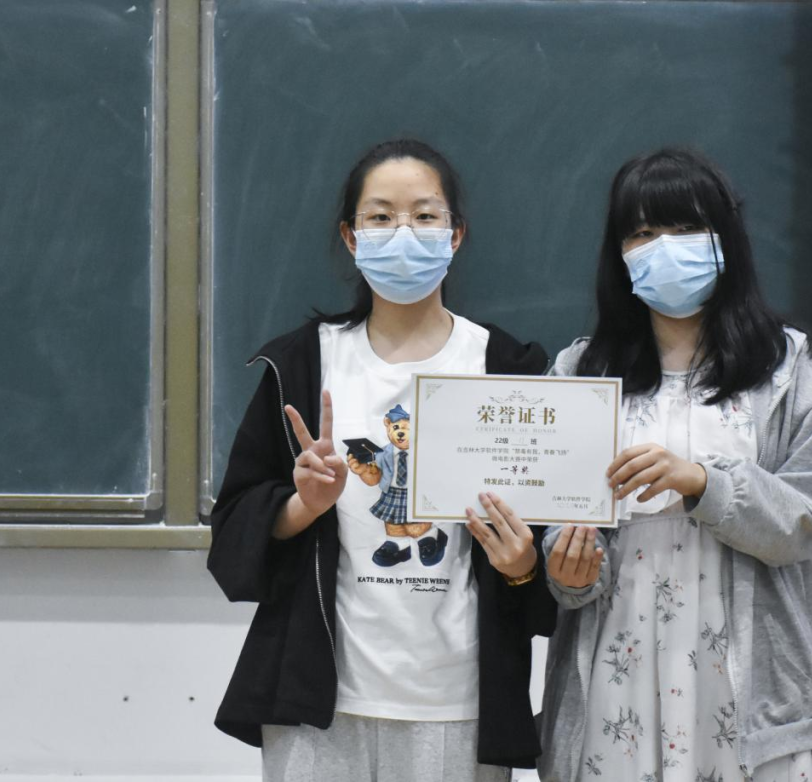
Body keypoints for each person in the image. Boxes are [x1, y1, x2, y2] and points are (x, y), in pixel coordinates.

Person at [207, 139, 557, 782]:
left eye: (424, 216)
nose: (403, 233)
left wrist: (521, 566)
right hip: (319, 700)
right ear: (351, 236)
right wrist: (302, 505)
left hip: (457, 702)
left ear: (455, 235)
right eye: (380, 216)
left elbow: (544, 549)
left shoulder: (506, 367)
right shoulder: (302, 365)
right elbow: (233, 528)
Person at [536, 148, 812, 781]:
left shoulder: (790, 368)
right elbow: (553, 527)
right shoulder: (580, 372)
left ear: (725, 239)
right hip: (617, 670)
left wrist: (705, 483)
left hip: (749, 686)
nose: (664, 249)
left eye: (686, 229)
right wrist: (569, 569)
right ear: (619, 252)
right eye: (643, 233)